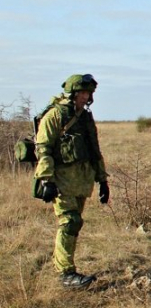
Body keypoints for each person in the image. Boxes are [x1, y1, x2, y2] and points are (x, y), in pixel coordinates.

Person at [34, 74, 109, 289]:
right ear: (73, 93)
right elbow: (43, 148)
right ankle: (66, 273)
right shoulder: (55, 115)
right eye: (82, 93)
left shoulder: (85, 117)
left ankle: (65, 265)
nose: (86, 97)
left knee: (75, 224)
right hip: (61, 181)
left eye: (88, 93)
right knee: (69, 222)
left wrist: (103, 180)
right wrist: (47, 180)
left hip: (81, 181)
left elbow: (95, 151)